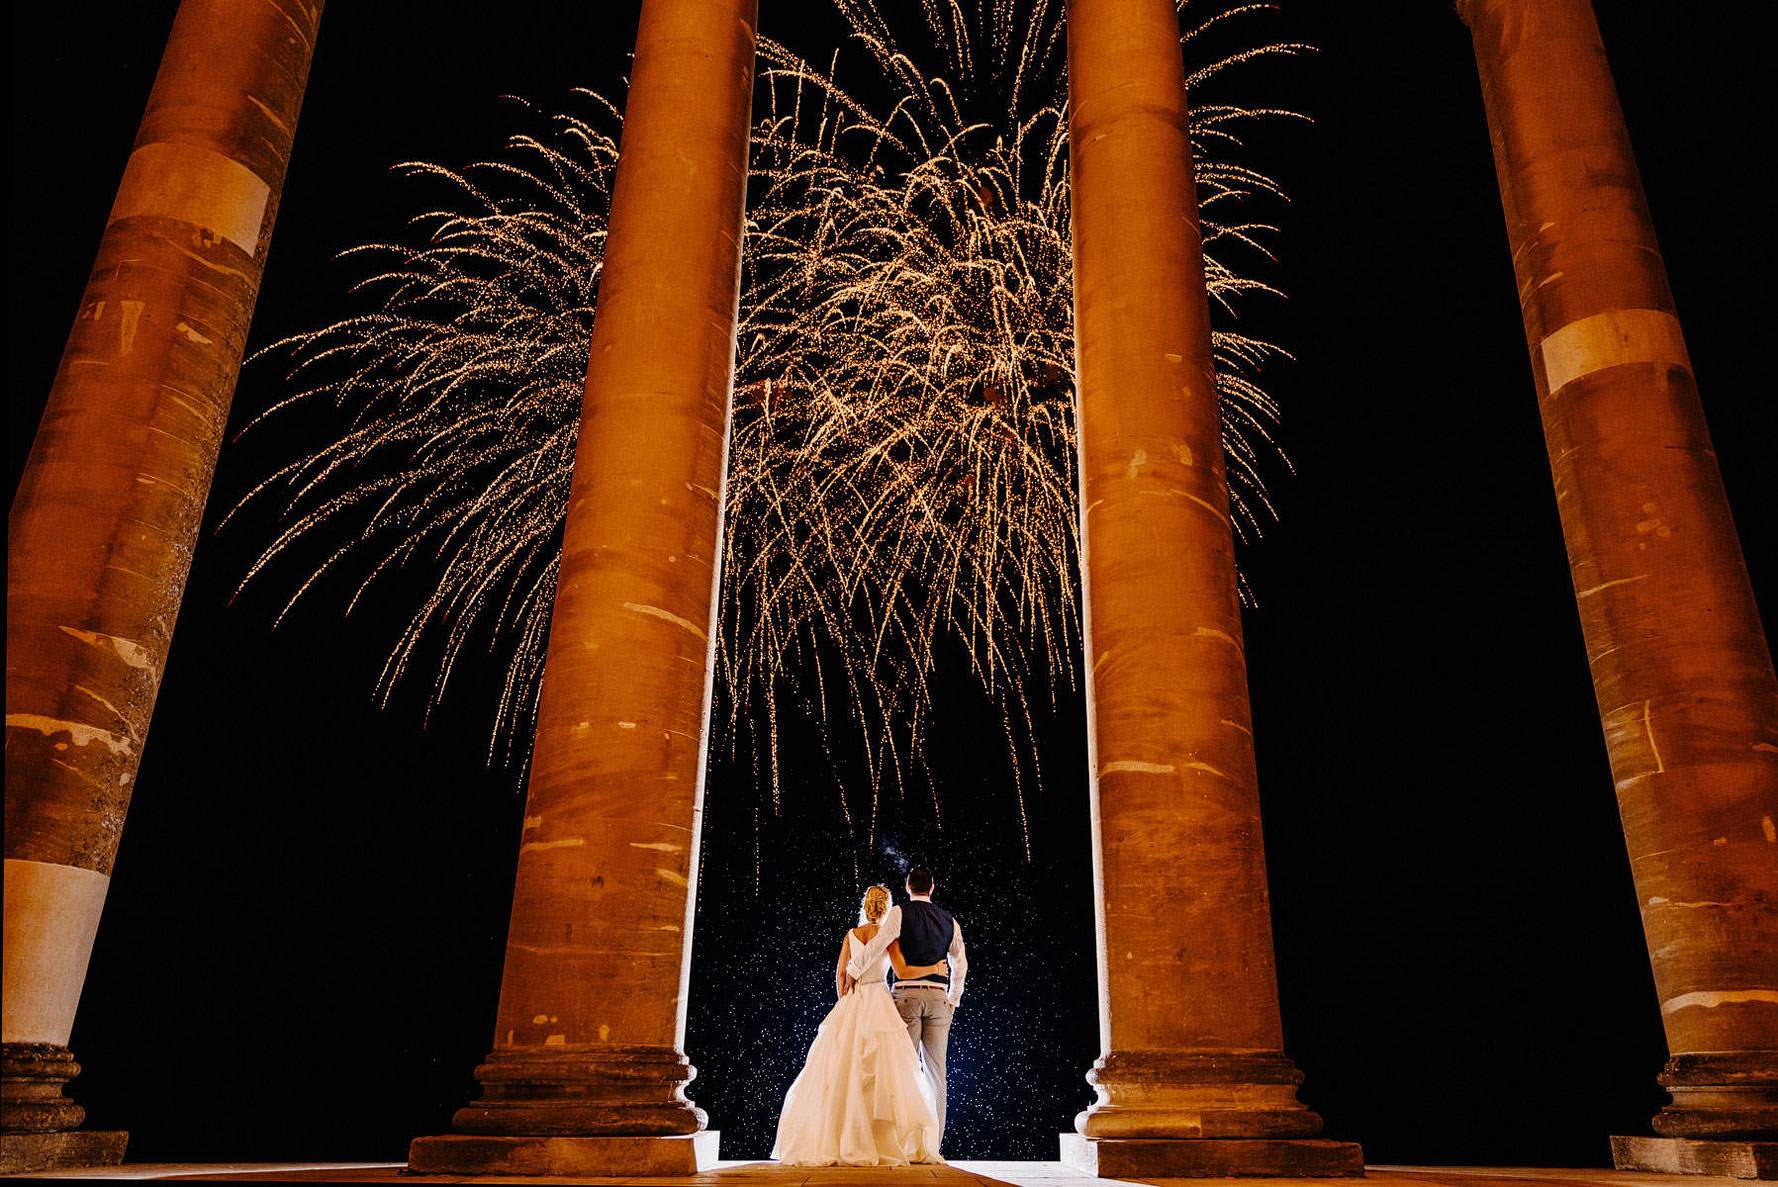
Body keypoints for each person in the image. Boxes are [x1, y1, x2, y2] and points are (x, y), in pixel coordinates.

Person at [772, 885, 948, 1166]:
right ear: (886, 907)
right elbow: (901, 971)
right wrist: (934, 969)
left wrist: (848, 1002)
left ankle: (844, 1139)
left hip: (854, 1001)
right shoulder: (890, 936)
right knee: (886, 1073)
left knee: (843, 1070)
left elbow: (841, 975)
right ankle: (882, 1141)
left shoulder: (851, 935)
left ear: (865, 906)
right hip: (880, 999)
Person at [844, 867, 967, 1146]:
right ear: (932, 887)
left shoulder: (899, 913)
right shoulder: (950, 921)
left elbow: (877, 946)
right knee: (938, 1074)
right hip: (938, 998)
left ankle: (904, 1144)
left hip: (906, 998)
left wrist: (853, 970)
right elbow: (961, 964)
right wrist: (953, 999)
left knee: (906, 1071)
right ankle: (931, 1147)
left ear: (908, 886)